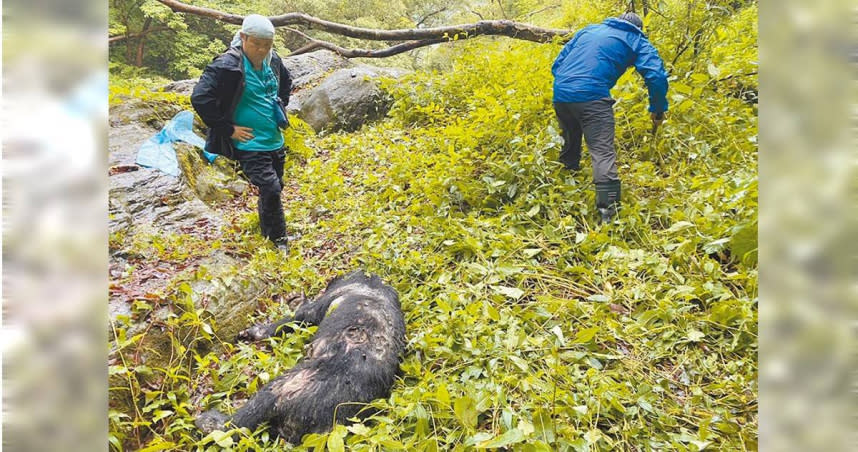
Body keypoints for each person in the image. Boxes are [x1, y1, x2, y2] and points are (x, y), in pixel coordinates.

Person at [551, 12, 668, 223]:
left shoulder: (589, 29)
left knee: (570, 136)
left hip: (561, 92)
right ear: (639, 28)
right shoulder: (636, 39)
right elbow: (656, 75)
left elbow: (558, 63)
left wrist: (568, 85)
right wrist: (658, 109)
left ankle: (565, 183)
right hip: (592, 96)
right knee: (602, 151)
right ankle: (609, 213)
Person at [191, 15, 293, 250]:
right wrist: (228, 129)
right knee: (270, 187)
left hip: (274, 139)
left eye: (266, 45)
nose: (261, 50)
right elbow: (200, 97)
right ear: (244, 37)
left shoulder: (273, 60)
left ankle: (268, 230)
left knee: (275, 186)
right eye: (256, 44)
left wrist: (279, 106)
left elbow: (286, 83)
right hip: (250, 144)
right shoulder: (227, 65)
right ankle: (279, 239)